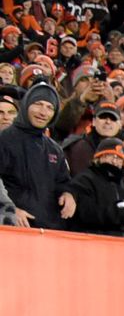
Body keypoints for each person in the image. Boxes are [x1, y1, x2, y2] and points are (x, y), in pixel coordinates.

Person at [0, 82, 76, 228]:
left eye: (49, 107)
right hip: (13, 228)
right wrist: (8, 212)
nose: (43, 112)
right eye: (38, 104)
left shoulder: (54, 149)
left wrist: (68, 194)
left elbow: (63, 182)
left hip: (49, 230)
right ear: (26, 104)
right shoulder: (4, 140)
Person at [65, 136, 124, 238]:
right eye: (110, 156)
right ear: (99, 157)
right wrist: (118, 214)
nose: (114, 161)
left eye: (119, 158)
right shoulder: (85, 180)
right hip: (97, 243)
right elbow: (83, 213)